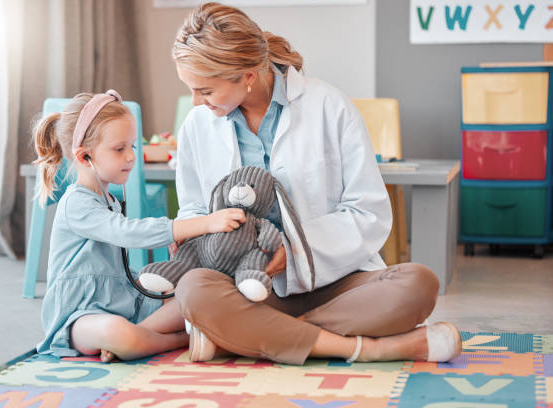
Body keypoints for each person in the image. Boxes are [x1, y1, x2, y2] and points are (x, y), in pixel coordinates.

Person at [170, 2, 462, 365]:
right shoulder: (198, 125)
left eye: (206, 91)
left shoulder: (329, 106)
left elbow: (367, 213)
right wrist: (194, 241)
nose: (197, 102)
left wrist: (291, 253)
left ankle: (252, 336)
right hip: (248, 285)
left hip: (337, 282)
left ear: (246, 76)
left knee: (418, 284)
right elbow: (195, 211)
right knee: (194, 291)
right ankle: (367, 347)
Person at [33, 90, 245, 362]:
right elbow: (127, 232)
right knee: (117, 332)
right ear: (85, 157)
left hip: (123, 300)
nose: (131, 157)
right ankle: (182, 338)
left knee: (195, 296)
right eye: (119, 149)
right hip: (81, 314)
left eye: (131, 147)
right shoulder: (76, 203)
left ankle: (142, 336)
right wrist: (202, 224)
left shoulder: (107, 198)